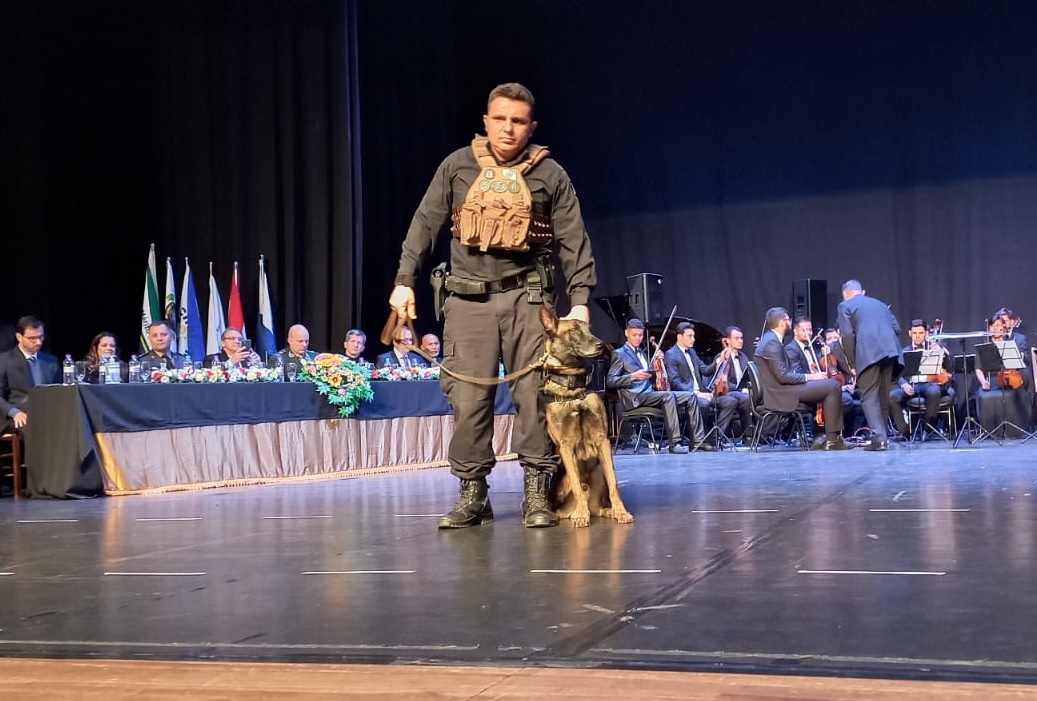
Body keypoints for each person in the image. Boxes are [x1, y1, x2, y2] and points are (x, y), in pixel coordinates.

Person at [389, 82, 597, 529]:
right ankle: (473, 492)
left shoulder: (550, 174)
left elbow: (574, 240)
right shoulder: (457, 166)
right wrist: (404, 281)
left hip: (529, 300)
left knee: (535, 395)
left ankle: (536, 490)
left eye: (518, 121)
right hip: (468, 301)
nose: (508, 128)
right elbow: (424, 224)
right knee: (468, 399)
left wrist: (580, 301)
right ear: (485, 121)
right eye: (499, 119)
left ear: (531, 126)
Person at [607, 319, 714, 453]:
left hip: (649, 393)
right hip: (635, 397)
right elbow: (610, 380)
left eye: (640, 335)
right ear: (626, 333)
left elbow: (649, 376)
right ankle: (674, 443)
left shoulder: (643, 353)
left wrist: (657, 364)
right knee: (668, 396)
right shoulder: (619, 353)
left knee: (690, 396)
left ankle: (698, 442)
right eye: (634, 335)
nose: (638, 338)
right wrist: (633, 376)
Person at [753, 307, 850, 450]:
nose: (790, 323)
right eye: (789, 320)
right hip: (781, 393)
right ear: (782, 322)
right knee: (832, 386)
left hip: (783, 389)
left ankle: (823, 436)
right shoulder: (772, 343)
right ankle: (832, 439)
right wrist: (811, 376)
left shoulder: (771, 340)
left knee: (829, 385)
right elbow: (783, 376)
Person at [837, 280, 902, 451]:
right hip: (890, 350)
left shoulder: (845, 306)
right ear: (861, 292)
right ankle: (882, 437)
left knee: (868, 396)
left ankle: (879, 439)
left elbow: (847, 336)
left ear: (845, 294)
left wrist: (852, 363)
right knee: (882, 396)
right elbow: (897, 328)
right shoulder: (880, 304)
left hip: (868, 353)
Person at [663, 321, 736, 445]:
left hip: (702, 393)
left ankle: (715, 437)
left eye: (694, 336)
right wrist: (696, 394)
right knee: (703, 403)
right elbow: (675, 383)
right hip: (687, 396)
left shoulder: (692, 352)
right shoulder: (671, 355)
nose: (693, 339)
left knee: (730, 401)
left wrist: (719, 360)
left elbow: (705, 370)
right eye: (690, 336)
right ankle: (698, 439)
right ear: (679, 337)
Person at [888, 319, 955, 439]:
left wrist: (943, 354)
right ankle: (904, 432)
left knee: (934, 391)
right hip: (912, 385)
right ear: (910, 333)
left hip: (930, 384)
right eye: (914, 333)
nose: (917, 336)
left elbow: (950, 369)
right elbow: (896, 373)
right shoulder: (904, 352)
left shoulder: (934, 348)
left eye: (920, 333)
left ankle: (928, 429)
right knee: (892, 397)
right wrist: (904, 384)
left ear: (926, 333)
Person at [0, 316, 60, 432]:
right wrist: (14, 412)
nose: (38, 342)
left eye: (41, 337)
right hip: (16, 414)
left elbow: (60, 391)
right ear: (19, 337)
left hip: (47, 412)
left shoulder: (51, 361)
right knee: (36, 426)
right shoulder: (4, 361)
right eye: (32, 338)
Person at [717, 325, 754, 441]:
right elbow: (723, 381)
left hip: (742, 390)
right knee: (746, 398)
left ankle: (764, 433)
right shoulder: (722, 357)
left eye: (741, 338)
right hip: (728, 392)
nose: (740, 341)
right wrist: (740, 389)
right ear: (728, 340)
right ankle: (748, 436)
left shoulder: (743, 357)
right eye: (736, 338)